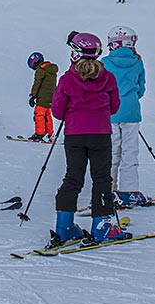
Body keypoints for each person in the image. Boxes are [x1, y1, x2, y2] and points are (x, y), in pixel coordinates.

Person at [50, 31, 127, 246]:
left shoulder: (67, 79)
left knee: (73, 178)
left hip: (75, 134)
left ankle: (64, 227)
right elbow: (114, 107)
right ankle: (101, 226)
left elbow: (57, 111)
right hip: (100, 134)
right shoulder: (108, 77)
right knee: (102, 178)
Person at [104, 26, 147, 207]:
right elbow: (141, 88)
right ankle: (129, 190)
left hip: (110, 112)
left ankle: (107, 189)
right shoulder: (137, 62)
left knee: (112, 151)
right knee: (130, 152)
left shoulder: (104, 62)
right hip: (131, 111)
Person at [27, 51, 58, 142]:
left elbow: (37, 83)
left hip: (42, 97)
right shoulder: (52, 69)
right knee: (48, 115)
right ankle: (49, 133)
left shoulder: (40, 70)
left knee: (39, 115)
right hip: (51, 97)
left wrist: (33, 95)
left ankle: (40, 134)